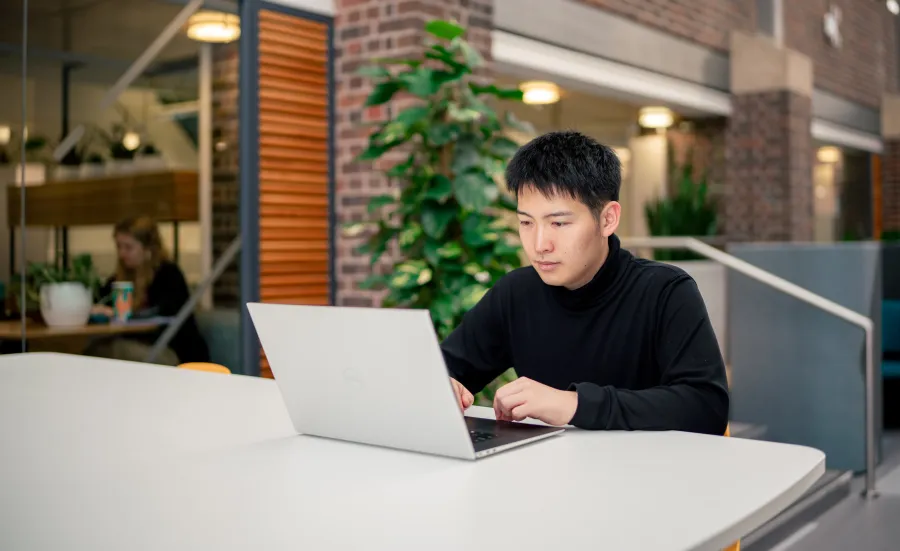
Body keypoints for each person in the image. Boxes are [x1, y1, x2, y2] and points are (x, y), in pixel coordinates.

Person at [440, 131, 729, 435]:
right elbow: (446, 367)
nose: (539, 244)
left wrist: (574, 405)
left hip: (645, 474)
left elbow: (706, 407)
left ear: (607, 219)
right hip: (549, 475)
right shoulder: (516, 293)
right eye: (526, 222)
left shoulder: (665, 291)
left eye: (559, 223)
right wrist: (443, 385)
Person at [85, 216, 210, 366]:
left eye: (128, 247)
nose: (122, 254)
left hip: (173, 351)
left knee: (113, 351)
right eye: (119, 247)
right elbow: (99, 299)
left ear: (148, 249)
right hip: (140, 345)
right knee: (96, 349)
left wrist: (121, 315)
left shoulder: (168, 274)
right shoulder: (120, 278)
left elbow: (163, 313)